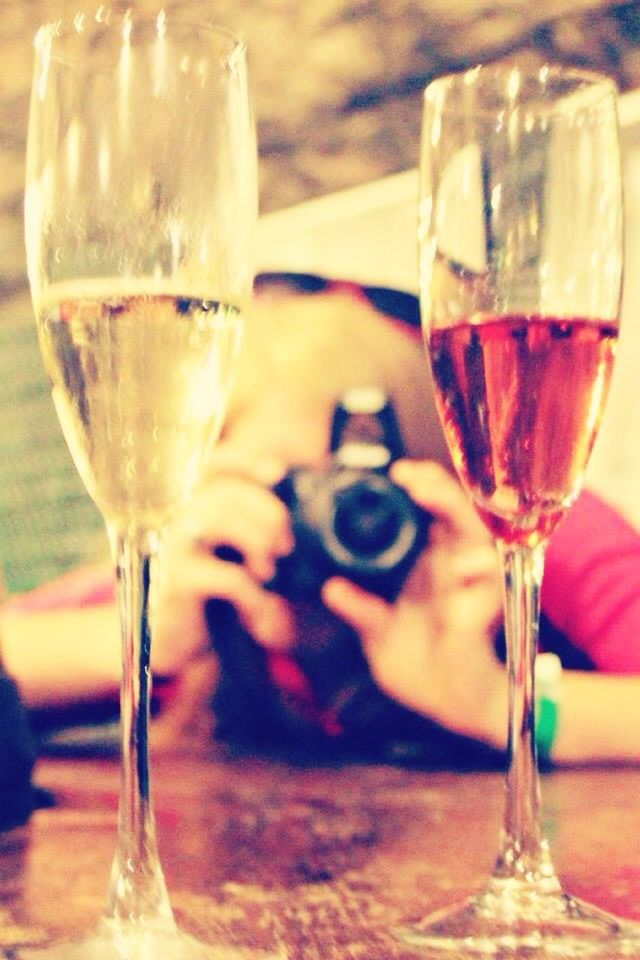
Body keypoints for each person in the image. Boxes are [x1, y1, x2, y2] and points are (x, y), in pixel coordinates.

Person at [3, 274, 640, 767]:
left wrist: (500, 700)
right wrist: (140, 634)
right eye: (282, 494)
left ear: (427, 469)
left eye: (355, 493)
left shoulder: (528, 519)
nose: (327, 529)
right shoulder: (204, 581)